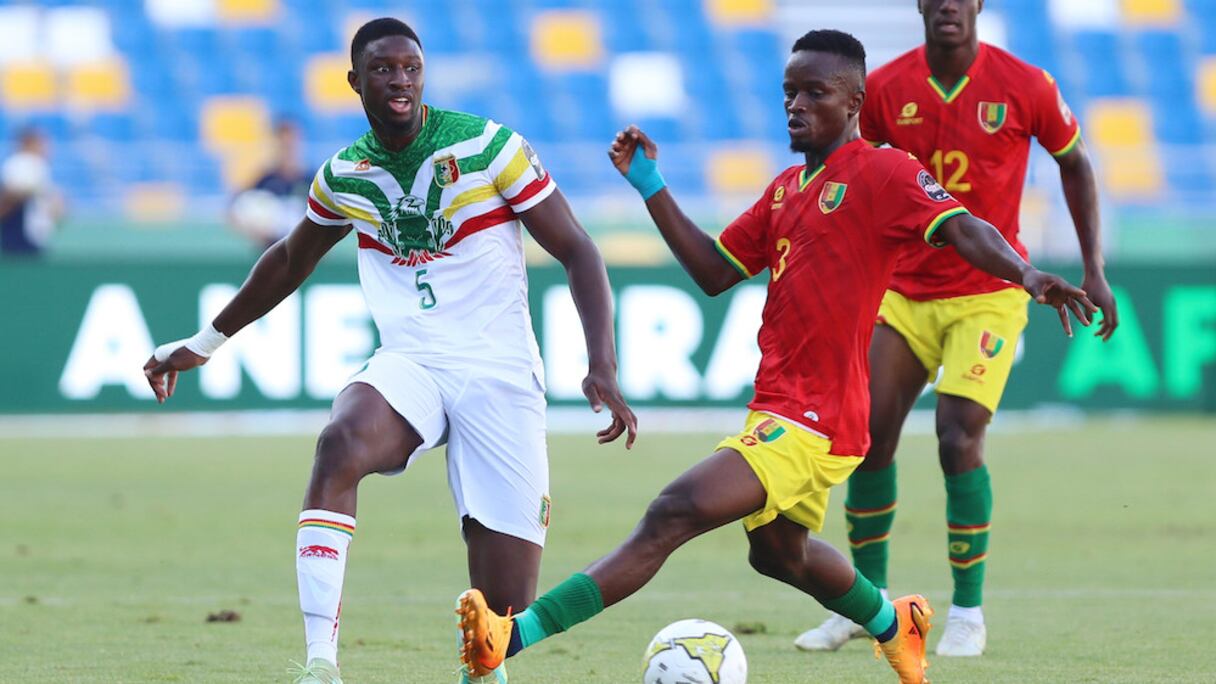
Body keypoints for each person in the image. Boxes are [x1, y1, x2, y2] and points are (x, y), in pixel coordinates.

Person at [456, 29, 1094, 684]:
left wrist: (1025, 272)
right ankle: (892, 623)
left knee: (673, 511)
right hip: (779, 408)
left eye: (814, 92)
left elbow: (962, 225)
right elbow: (712, 270)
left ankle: (509, 637)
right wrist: (652, 185)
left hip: (819, 420)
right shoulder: (788, 190)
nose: (795, 104)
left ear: (853, 102)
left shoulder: (884, 172)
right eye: (789, 91)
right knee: (779, 553)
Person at [142, 18, 637, 684]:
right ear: (355, 81)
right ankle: (321, 664)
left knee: (495, 627)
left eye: (410, 68)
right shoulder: (344, 174)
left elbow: (578, 249)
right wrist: (203, 344)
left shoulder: (490, 147)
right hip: (413, 362)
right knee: (340, 443)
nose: (400, 81)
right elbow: (289, 260)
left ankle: (483, 671)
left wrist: (601, 362)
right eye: (383, 70)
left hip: (500, 375)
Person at [795, 0, 1118, 658]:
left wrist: (1094, 268)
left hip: (989, 295)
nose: (948, 3)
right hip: (905, 292)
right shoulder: (885, 88)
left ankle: (967, 612)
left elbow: (1076, 163)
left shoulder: (1026, 85)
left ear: (977, 4)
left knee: (957, 437)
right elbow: (846, 167)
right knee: (867, 436)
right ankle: (867, 603)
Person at [229, 119, 312, 250]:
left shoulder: (311, 181)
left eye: (291, 145)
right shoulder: (265, 180)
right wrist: (257, 232)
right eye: (283, 145)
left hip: (306, 254)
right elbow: (233, 210)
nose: (287, 150)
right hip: (271, 253)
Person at [0, 127, 64, 257]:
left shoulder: (36, 164)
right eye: (41, 142)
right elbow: (10, 195)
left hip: (33, 232)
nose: (46, 147)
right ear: (29, 143)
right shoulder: (21, 163)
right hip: (21, 231)